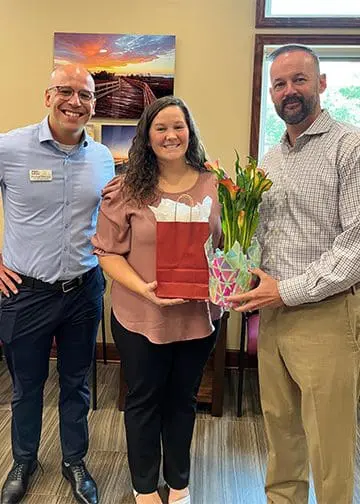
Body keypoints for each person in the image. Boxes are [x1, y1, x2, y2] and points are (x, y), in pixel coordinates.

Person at [228, 44, 360, 504]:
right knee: (281, 435)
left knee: (329, 444)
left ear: (321, 83)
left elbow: (355, 247)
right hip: (274, 316)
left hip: (325, 315)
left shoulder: (350, 146)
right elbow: (261, 232)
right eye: (280, 84)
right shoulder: (271, 159)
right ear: (271, 93)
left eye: (299, 80)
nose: (290, 91)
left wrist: (286, 290)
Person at [92, 96, 222, 504]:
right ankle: (144, 486)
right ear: (147, 136)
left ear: (190, 132)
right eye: (161, 128)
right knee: (144, 400)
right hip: (139, 315)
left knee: (183, 401)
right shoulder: (127, 188)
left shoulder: (215, 183)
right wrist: (142, 286)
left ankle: (179, 482)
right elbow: (108, 252)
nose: (171, 135)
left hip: (198, 317)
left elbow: (228, 245)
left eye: (178, 127)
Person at [0, 64, 114, 504]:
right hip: (24, 292)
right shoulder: (10, 147)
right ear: (47, 95)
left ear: (93, 104)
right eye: (65, 91)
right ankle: (24, 460)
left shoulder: (102, 157)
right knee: (26, 385)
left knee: (77, 382)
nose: (75, 101)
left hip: (83, 290)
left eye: (85, 95)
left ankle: (74, 460)